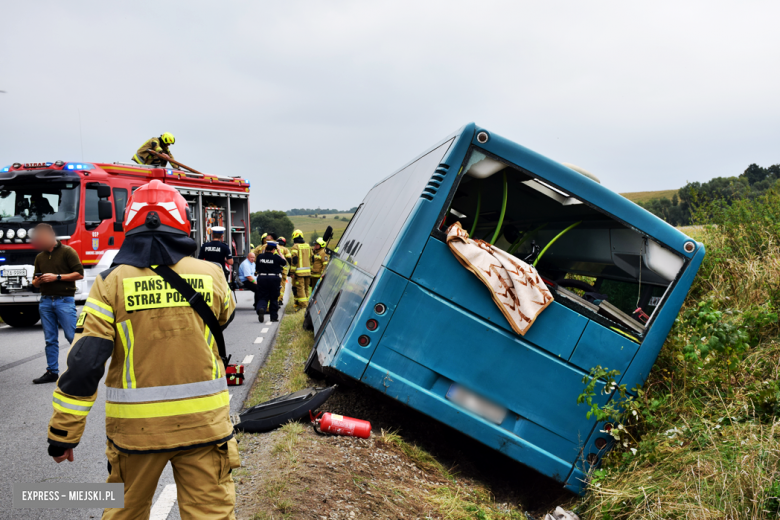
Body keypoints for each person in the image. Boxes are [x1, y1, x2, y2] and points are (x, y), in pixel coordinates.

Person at [46, 179, 239, 519]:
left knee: (125, 513)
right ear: (181, 220)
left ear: (131, 222)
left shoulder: (110, 283)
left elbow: (85, 363)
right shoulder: (211, 274)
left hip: (135, 436)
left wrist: (64, 432)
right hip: (204, 428)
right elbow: (225, 317)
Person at [30, 223, 84, 384]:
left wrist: (57, 277)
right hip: (45, 301)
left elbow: (79, 274)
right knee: (50, 339)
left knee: (71, 336)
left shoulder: (68, 252)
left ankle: (80, 370)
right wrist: (38, 281)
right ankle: (52, 371)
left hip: (64, 300)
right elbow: (34, 283)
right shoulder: (40, 257)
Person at [254, 241, 287, 322]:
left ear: (265, 248)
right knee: (273, 298)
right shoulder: (276, 257)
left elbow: (257, 268)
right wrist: (279, 252)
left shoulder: (260, 257)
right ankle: (273, 317)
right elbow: (284, 262)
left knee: (262, 296)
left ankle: (261, 308)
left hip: (262, 278)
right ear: (274, 249)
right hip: (274, 279)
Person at [289, 229, 311, 308]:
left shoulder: (295, 247)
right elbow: (312, 258)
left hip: (299, 273)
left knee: (300, 288)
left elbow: (294, 261)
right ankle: (307, 303)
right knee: (306, 289)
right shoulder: (308, 246)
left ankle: (303, 306)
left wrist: (292, 272)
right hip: (308, 272)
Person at [275, 236, 292, 304]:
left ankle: (275, 298)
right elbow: (289, 259)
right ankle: (280, 299)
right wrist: (291, 270)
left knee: (275, 284)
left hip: (275, 269)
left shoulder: (275, 248)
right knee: (282, 284)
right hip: (283, 270)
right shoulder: (285, 249)